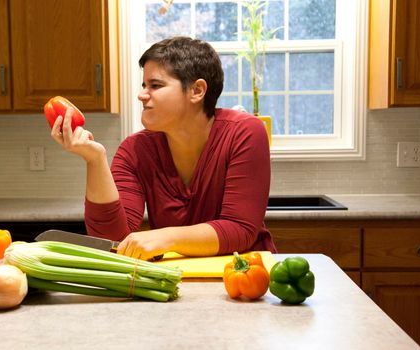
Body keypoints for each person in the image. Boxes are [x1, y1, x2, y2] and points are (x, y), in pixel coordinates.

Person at [51, 36, 276, 260]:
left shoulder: (245, 132)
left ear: (197, 90)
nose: (141, 95)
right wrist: (95, 160)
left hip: (246, 278)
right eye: (144, 85)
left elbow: (240, 229)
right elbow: (113, 242)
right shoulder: (135, 150)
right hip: (177, 280)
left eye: (155, 85)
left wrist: (166, 238)